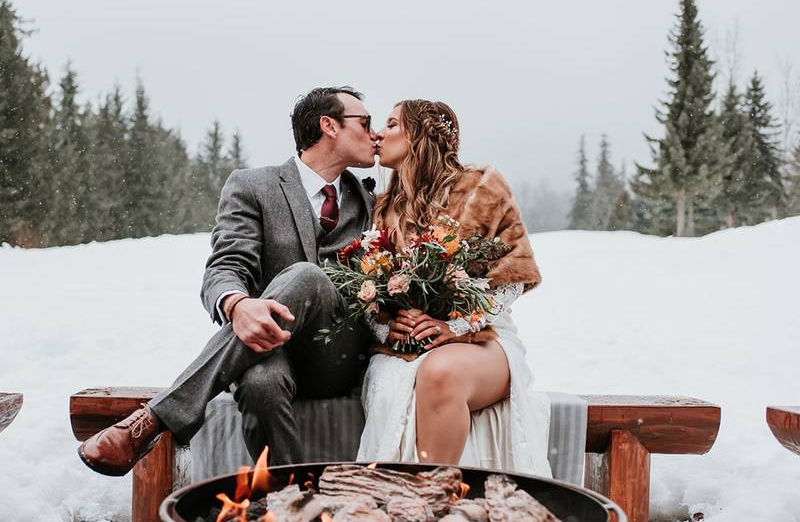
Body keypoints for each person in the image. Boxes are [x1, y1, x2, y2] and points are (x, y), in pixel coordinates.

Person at [78, 86, 379, 476]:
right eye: (366, 122)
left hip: (337, 355)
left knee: (307, 276)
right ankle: (293, 496)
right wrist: (237, 305)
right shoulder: (254, 186)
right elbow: (225, 266)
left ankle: (155, 419)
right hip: (270, 350)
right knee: (259, 383)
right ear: (329, 126)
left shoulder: (373, 201)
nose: (375, 134)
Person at [356, 99, 552, 477]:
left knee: (441, 372)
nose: (379, 133)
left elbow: (511, 280)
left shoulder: (481, 185)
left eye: (393, 124)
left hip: (483, 336)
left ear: (421, 135)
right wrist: (385, 327)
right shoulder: (383, 208)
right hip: (405, 345)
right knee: (393, 379)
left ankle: (434, 494)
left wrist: (456, 327)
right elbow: (368, 288)